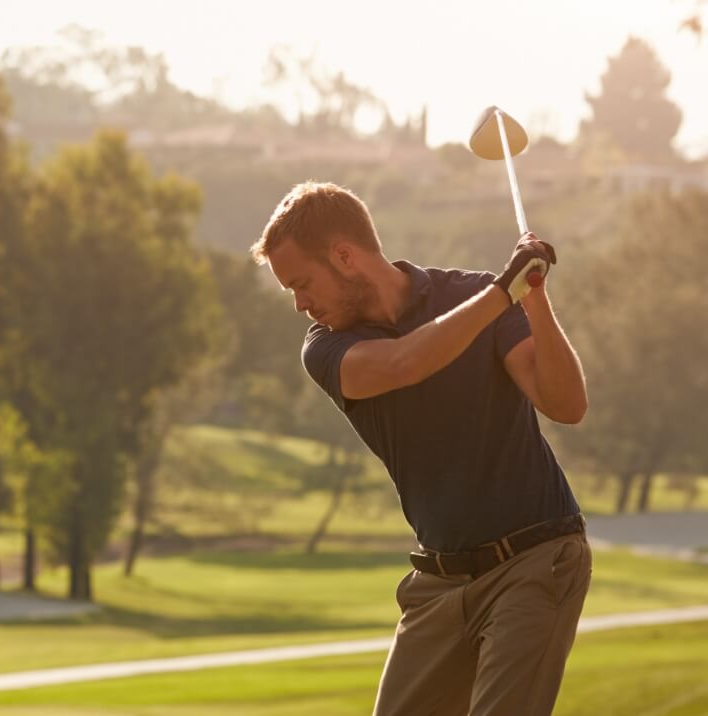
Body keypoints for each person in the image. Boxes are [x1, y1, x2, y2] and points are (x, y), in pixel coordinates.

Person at [250, 182, 591, 716]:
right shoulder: (327, 347)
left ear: (344, 256)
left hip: (536, 559)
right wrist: (502, 293)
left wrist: (534, 298)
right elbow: (404, 363)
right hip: (438, 583)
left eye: (302, 283)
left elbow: (566, 405)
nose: (300, 304)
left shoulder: (473, 294)